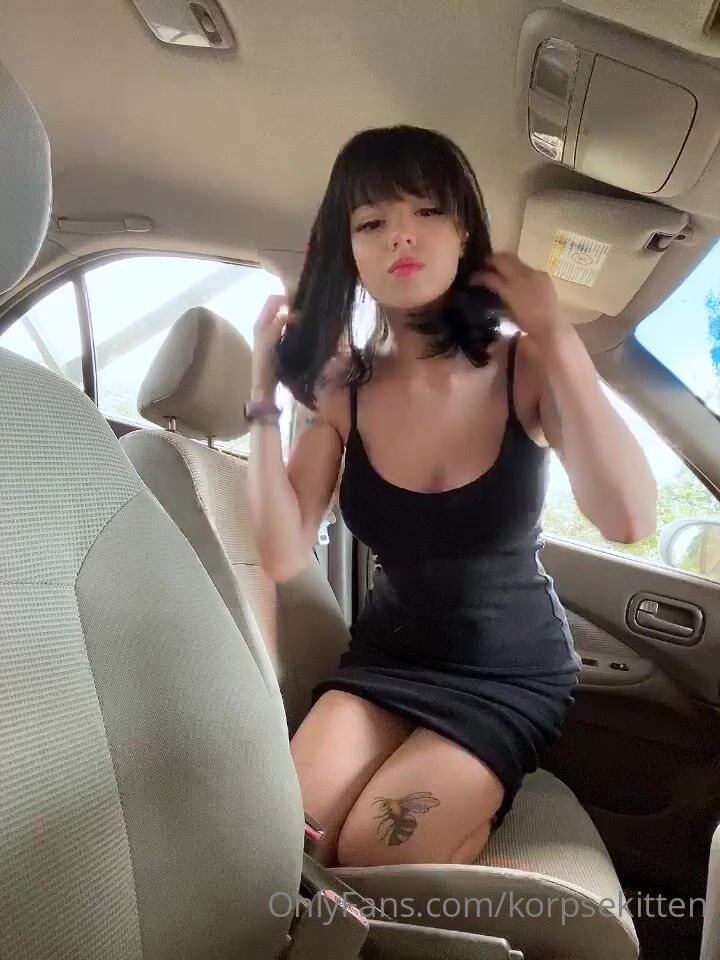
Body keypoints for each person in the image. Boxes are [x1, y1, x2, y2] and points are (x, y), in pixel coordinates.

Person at [247, 125, 657, 868]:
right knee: (282, 841)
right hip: (387, 662)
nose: (400, 234)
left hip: (508, 673)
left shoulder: (524, 366)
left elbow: (629, 518)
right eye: (372, 222)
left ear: (463, 230)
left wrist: (557, 334)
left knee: (376, 849)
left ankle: (474, 809)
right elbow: (279, 555)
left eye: (427, 210)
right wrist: (263, 396)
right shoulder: (344, 390)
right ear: (351, 253)